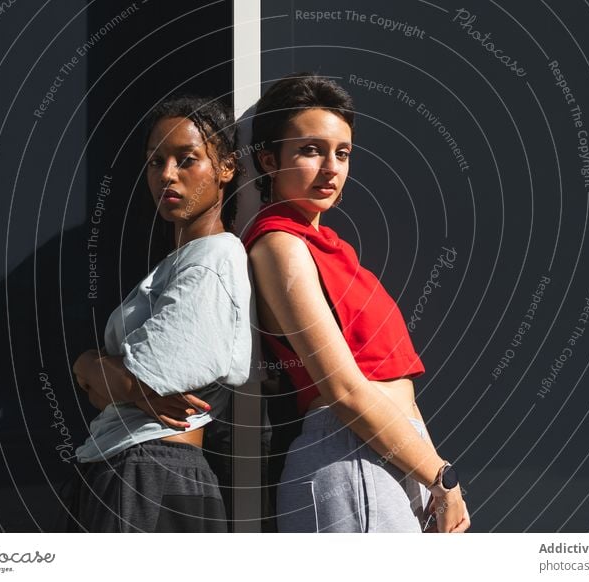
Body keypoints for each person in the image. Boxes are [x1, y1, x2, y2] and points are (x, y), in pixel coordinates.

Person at [242, 73, 470, 533]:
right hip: (349, 453)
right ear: (269, 159)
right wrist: (443, 480)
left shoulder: (331, 248)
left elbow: (393, 385)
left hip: (397, 455)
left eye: (342, 153)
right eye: (310, 150)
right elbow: (343, 389)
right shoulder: (281, 246)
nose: (331, 167)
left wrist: (431, 472)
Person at [58, 96, 254, 532]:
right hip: (130, 466)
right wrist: (93, 368)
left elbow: (140, 380)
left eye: (187, 160)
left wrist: (99, 369)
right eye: (155, 161)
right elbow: (110, 385)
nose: (167, 174)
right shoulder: (179, 263)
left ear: (225, 168)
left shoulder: (215, 257)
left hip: (153, 471)